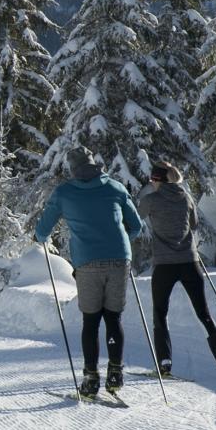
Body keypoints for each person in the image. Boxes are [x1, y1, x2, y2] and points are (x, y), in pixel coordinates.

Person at [34, 146, 143, 398]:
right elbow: (136, 226)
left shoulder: (64, 192)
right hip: (119, 259)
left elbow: (42, 231)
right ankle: (115, 373)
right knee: (113, 317)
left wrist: (39, 236)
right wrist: (120, 240)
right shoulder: (115, 187)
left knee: (91, 320)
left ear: (72, 168)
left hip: (87, 262)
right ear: (95, 163)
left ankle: (91, 378)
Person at [136, 161, 216, 379]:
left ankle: (164, 363)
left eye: (153, 179)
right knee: (204, 315)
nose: (151, 183)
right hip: (189, 262)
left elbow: (136, 219)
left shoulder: (151, 200)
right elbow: (193, 224)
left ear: (158, 180)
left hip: (164, 265)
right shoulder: (185, 197)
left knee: (160, 314)